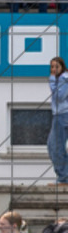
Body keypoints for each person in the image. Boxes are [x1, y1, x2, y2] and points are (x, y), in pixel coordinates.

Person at [48, 57, 68, 185]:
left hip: (62, 115)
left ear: (62, 67)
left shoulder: (63, 79)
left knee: (55, 147)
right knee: (53, 146)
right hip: (59, 115)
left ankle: (64, 178)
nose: (54, 70)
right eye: (52, 67)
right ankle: (64, 176)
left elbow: (59, 97)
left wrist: (51, 81)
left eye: (57, 67)